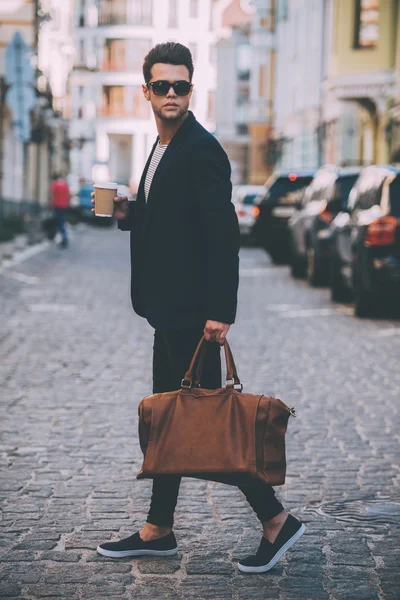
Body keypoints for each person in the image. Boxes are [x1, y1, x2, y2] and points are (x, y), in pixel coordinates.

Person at [94, 43, 305, 573]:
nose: (171, 94)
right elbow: (168, 219)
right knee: (170, 418)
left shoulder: (201, 148)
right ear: (146, 90)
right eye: (161, 85)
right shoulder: (162, 146)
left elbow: (221, 236)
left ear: (192, 90)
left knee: (207, 422)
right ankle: (158, 529)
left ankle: (277, 521)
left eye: (180, 86)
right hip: (167, 310)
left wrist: (219, 311)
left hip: (193, 314)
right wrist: (128, 212)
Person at [49, 174, 70, 248]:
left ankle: (62, 238)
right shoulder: (65, 185)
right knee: (62, 222)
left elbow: (52, 196)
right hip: (64, 206)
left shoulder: (54, 185)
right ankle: (63, 237)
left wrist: (51, 205)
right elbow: (68, 195)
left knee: (58, 223)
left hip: (57, 206)